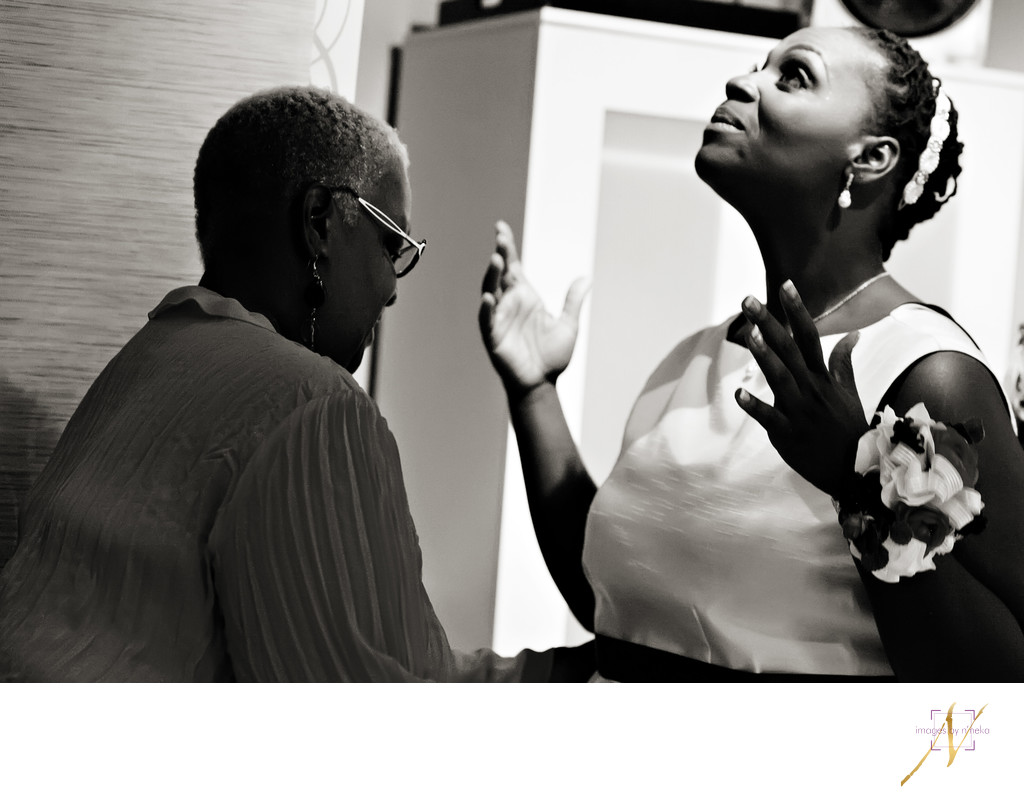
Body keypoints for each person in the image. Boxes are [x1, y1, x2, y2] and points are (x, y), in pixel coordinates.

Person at [479, 27, 1024, 681]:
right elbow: (623, 613)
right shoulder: (695, 358)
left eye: (794, 76)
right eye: (757, 68)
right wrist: (534, 392)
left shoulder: (930, 373)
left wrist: (857, 482)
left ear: (870, 158)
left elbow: (998, 681)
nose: (743, 84)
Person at [0, 86, 591, 682]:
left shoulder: (151, 353)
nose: (392, 286)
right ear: (318, 222)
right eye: (392, 244)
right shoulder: (312, 406)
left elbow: (402, 664)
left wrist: (567, 674)